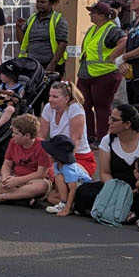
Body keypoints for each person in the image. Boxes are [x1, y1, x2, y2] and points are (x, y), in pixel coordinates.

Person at [73, 103, 139, 219]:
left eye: (114, 120)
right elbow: (105, 172)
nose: (109, 122)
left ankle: (119, 211)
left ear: (127, 124)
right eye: (110, 118)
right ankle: (124, 212)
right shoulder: (107, 141)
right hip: (117, 186)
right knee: (84, 192)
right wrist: (116, 190)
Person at [39, 81, 95, 215]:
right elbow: (41, 136)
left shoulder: (75, 108)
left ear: (66, 98)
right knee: (49, 184)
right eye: (50, 96)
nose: (50, 100)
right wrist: (42, 160)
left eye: (55, 97)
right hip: (56, 156)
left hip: (77, 157)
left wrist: (64, 162)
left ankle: (68, 204)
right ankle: (70, 202)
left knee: (60, 185)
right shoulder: (48, 108)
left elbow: (76, 140)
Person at [0, 114, 52, 206]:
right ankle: (24, 197)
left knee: (41, 186)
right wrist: (5, 177)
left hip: (34, 180)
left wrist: (18, 181)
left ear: (27, 135)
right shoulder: (13, 142)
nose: (13, 135)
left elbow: (40, 174)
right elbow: (7, 164)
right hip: (15, 177)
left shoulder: (42, 146)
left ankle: (1, 197)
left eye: (16, 133)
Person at [75, 0, 124, 141]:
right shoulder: (92, 29)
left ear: (102, 16)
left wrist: (112, 56)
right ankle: (88, 136)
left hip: (104, 74)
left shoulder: (111, 29)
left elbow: (124, 41)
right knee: (83, 105)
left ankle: (103, 138)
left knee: (102, 108)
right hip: (87, 73)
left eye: (93, 13)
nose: (90, 15)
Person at [18, 0, 67, 77]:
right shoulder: (31, 19)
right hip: (31, 65)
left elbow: (63, 43)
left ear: (51, 3)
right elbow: (22, 42)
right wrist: (18, 27)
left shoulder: (58, 20)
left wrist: (53, 63)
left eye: (43, 2)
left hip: (49, 65)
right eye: (38, 2)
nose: (39, 4)